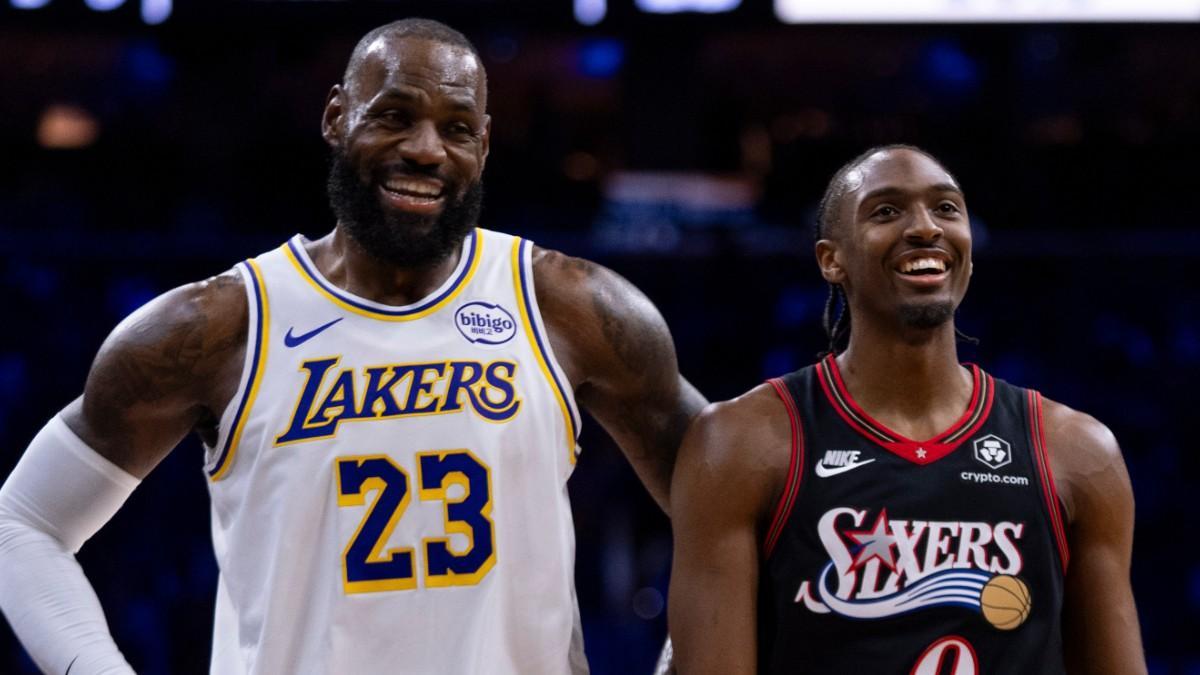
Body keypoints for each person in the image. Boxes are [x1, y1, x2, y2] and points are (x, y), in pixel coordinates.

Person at [0, 19, 705, 675]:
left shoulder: (571, 308)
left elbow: (742, 501)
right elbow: (21, 524)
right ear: (337, 117)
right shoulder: (219, 325)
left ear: (483, 147)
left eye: (456, 128)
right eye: (395, 115)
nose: (426, 148)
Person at [667, 145, 1147, 674]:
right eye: (886, 211)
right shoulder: (742, 442)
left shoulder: (1077, 451)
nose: (925, 228)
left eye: (946, 208)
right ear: (832, 259)